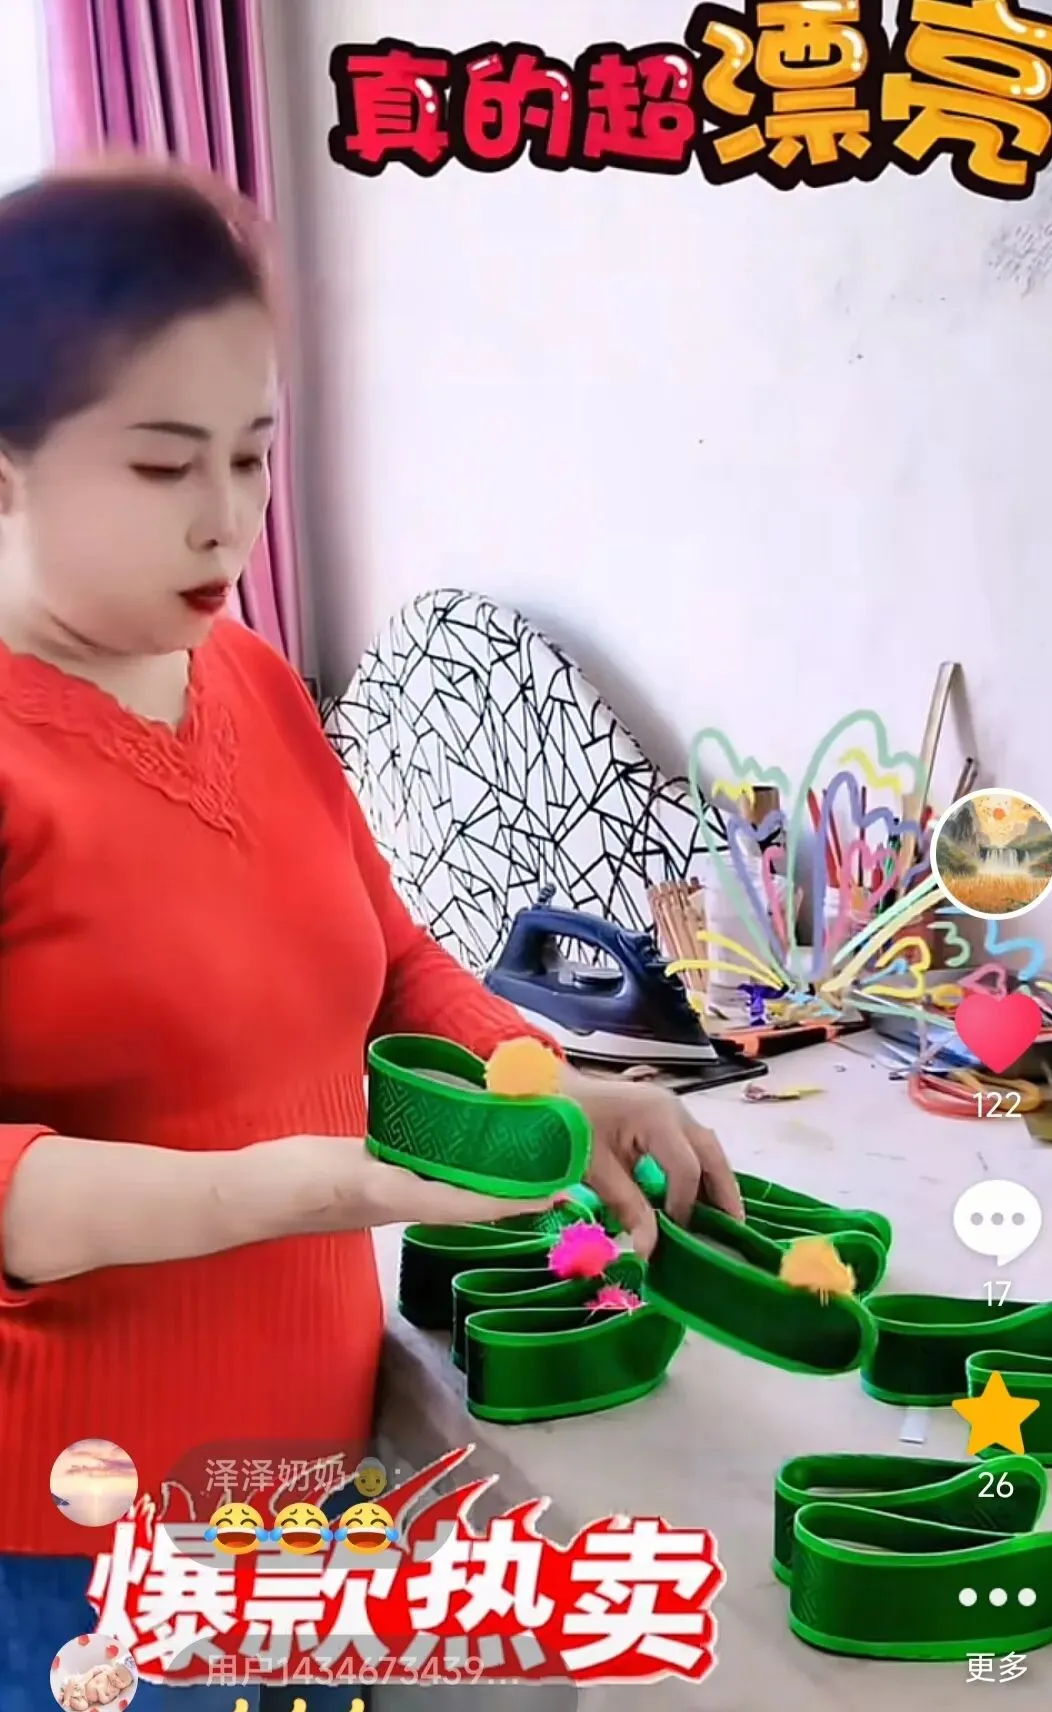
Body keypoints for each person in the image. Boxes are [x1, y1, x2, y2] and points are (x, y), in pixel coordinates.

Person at [0, 161, 742, 1709]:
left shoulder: (254, 679)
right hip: (71, 1545)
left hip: (304, 1486)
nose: (225, 518)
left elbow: (392, 960)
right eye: (161, 465)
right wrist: (307, 1184)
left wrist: (546, 1082)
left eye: (254, 455)